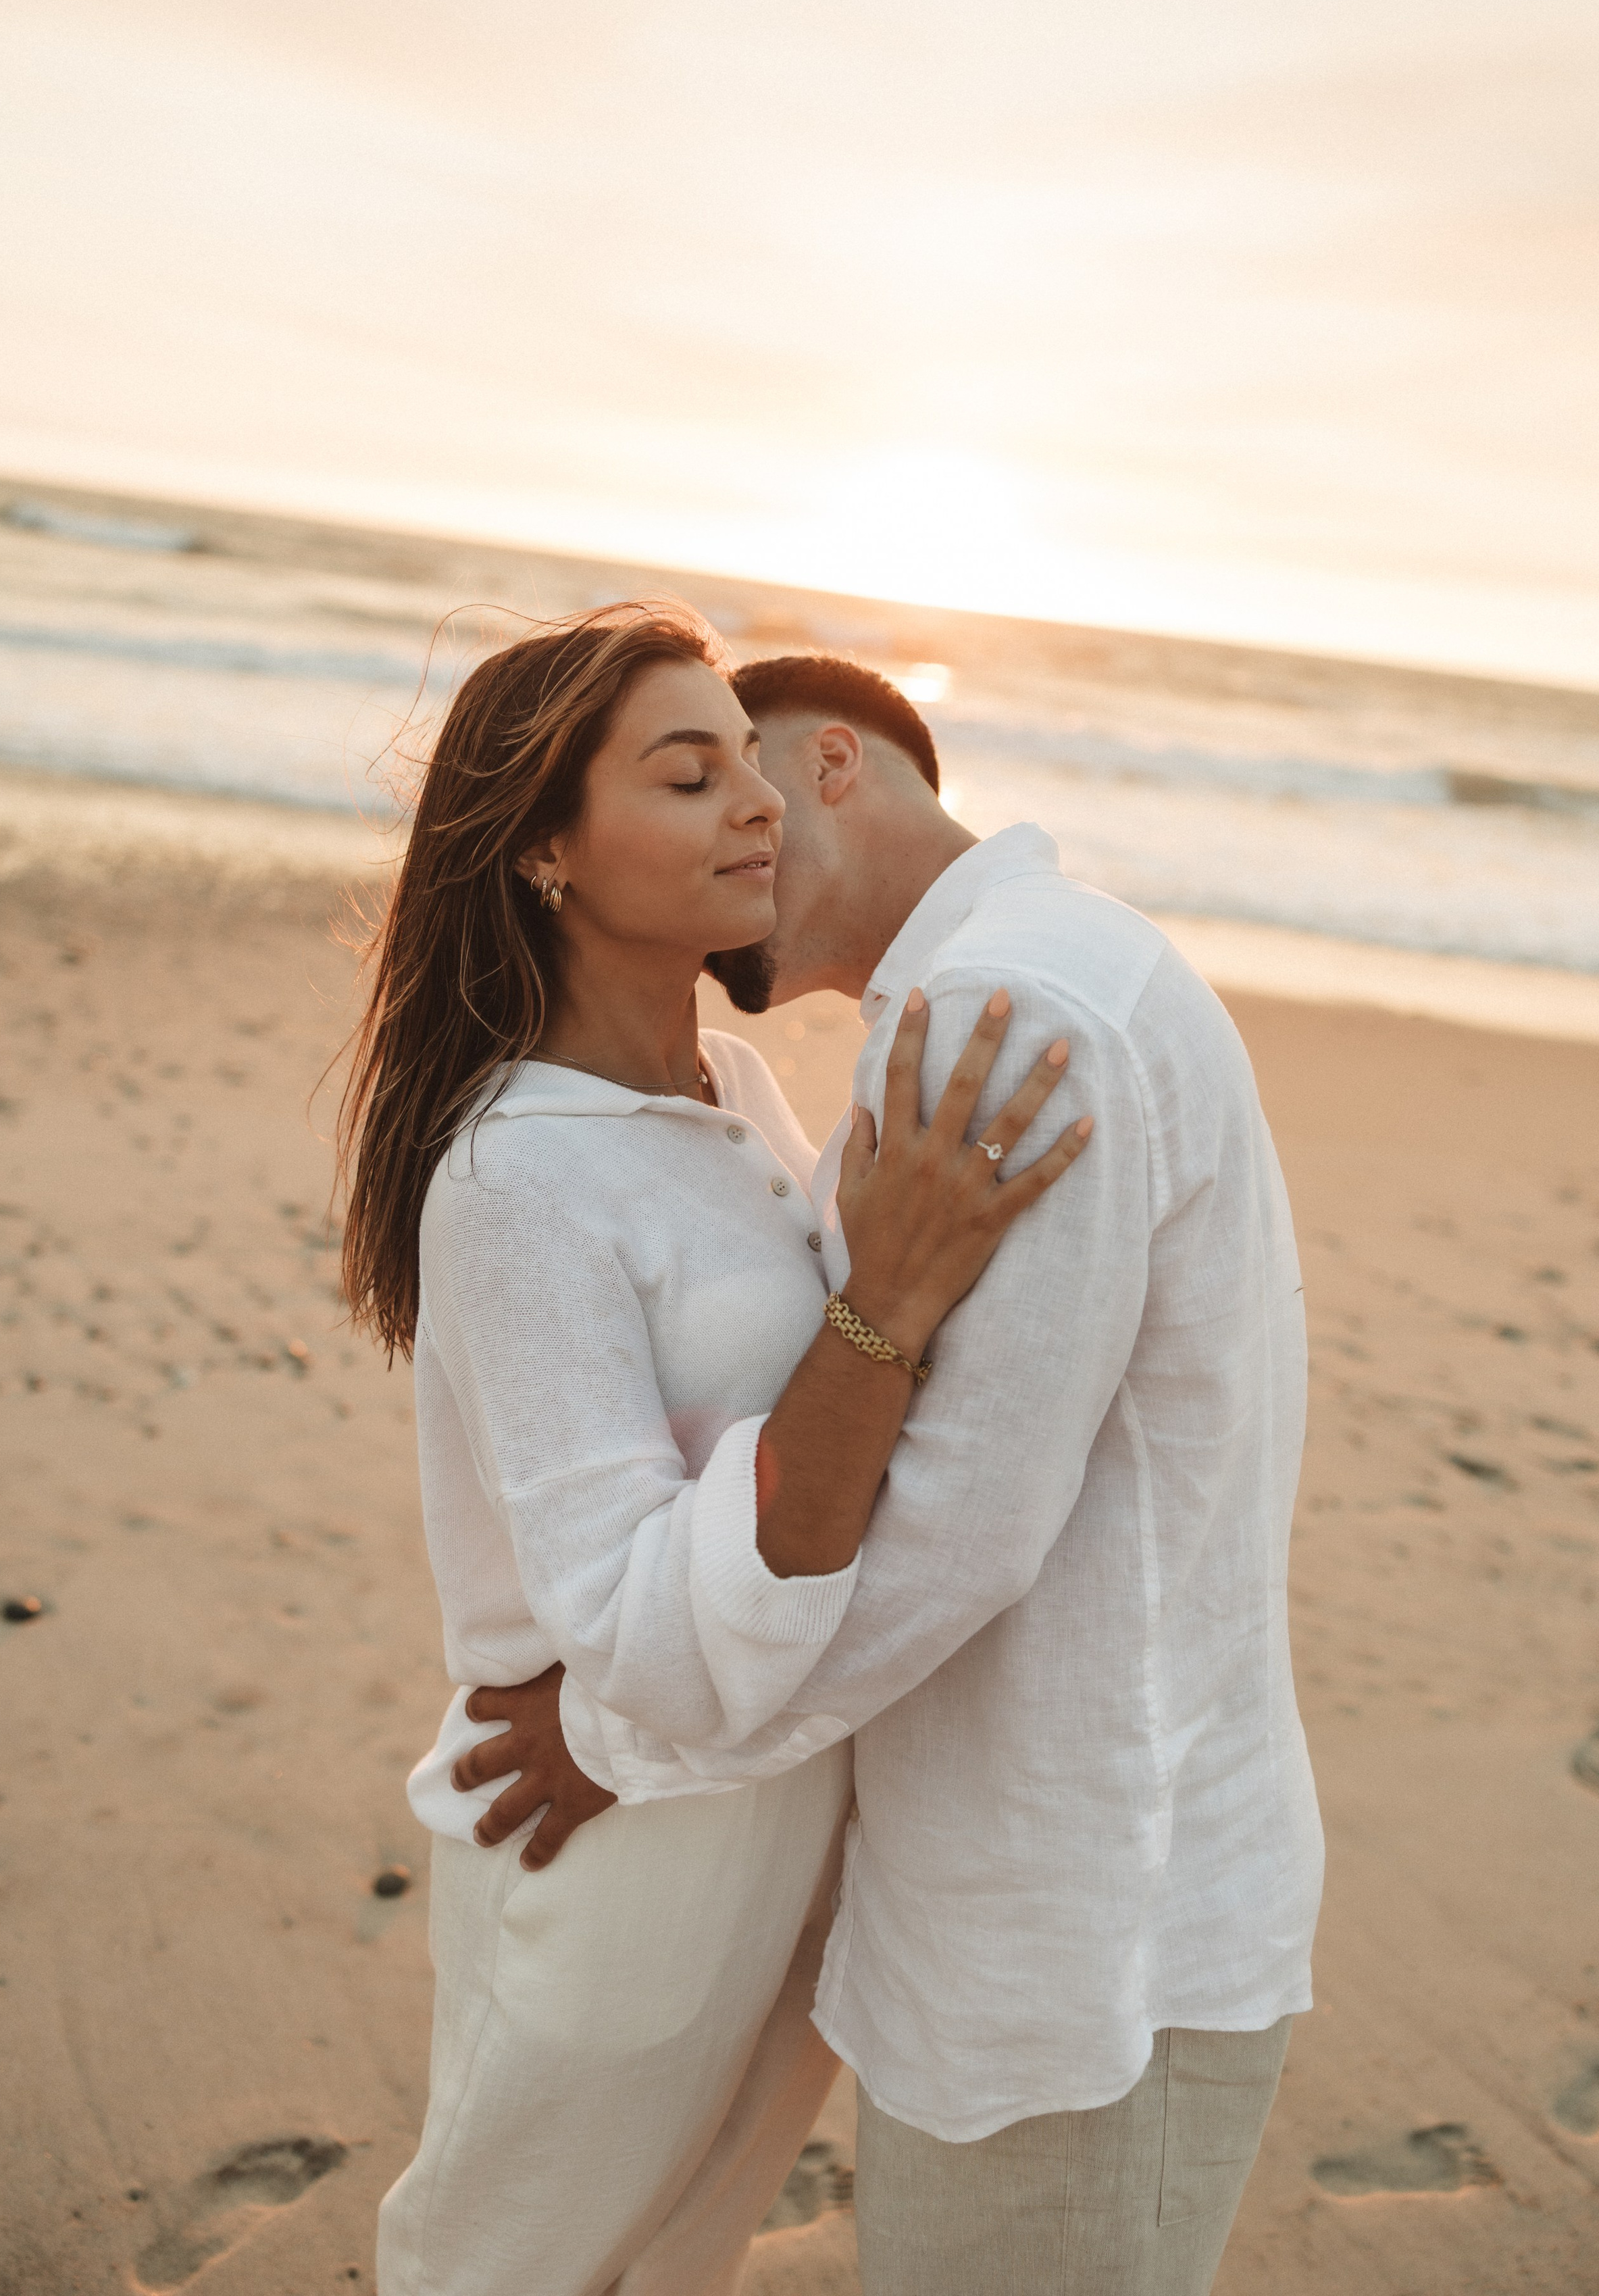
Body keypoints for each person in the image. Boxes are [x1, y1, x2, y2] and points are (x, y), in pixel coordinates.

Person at [455, 653, 1325, 2296]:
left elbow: (956, 1529)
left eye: (745, 779)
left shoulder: (1010, 1019)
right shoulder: (1037, 976)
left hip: (1075, 1931)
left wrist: (612, 1735)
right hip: (1057, 1879)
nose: (737, 846)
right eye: (686, 782)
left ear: (832, 761)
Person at [336, 606, 1090, 2296]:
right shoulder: (515, 1179)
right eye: (689, 777)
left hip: (773, 1801)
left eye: (750, 767)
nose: (756, 805)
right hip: (616, 1839)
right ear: (544, 850)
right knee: (507, 2266)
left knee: (681, 2261)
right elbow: (620, 1604)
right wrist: (887, 1288)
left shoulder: (737, 1086)